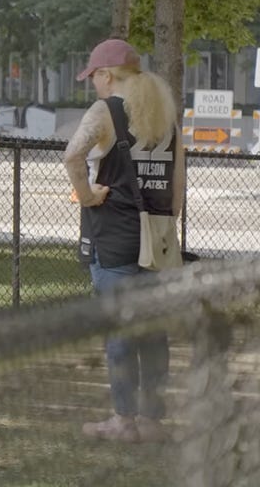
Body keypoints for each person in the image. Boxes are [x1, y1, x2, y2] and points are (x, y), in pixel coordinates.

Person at [63, 37, 184, 443]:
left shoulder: (106, 110)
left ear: (106, 75)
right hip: (158, 240)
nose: (93, 85)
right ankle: (152, 421)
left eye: (93, 77)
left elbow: (72, 155)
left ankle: (123, 421)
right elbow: (178, 184)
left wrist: (87, 195)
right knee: (153, 333)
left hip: (113, 238)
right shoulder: (166, 114)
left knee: (120, 332)